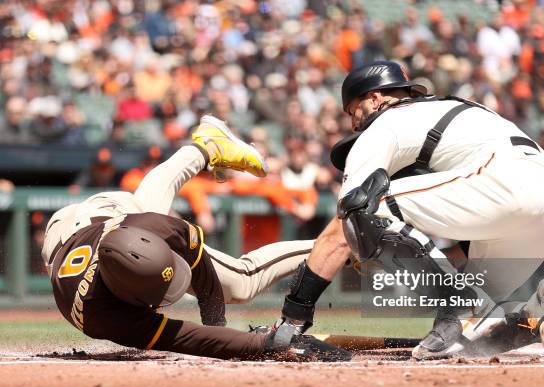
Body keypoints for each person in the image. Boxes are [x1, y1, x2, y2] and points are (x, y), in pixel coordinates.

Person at [267, 60, 544, 359]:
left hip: (505, 182)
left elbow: (347, 217)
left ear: (374, 98)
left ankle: (291, 324)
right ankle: (537, 314)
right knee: (464, 338)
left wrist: (293, 314)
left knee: (361, 211)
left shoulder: (385, 124)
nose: (353, 123)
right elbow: (458, 247)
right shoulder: (453, 110)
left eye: (352, 111)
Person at [41, 115, 350, 362]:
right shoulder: (108, 318)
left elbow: (200, 277)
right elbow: (191, 338)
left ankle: (343, 243)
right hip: (65, 238)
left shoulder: (156, 228)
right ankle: (204, 147)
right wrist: (268, 344)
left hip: (110, 217)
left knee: (240, 281)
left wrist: (218, 322)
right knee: (240, 283)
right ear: (132, 299)